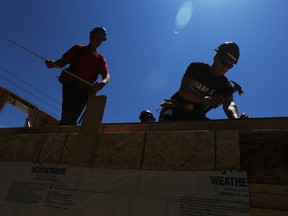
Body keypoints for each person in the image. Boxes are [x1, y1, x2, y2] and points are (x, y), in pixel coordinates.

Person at [159, 41, 249, 121]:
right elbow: (184, 91)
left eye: (229, 66)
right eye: (223, 62)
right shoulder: (197, 68)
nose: (225, 67)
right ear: (215, 57)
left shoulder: (225, 85)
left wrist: (236, 120)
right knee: (168, 119)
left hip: (196, 117)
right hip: (175, 109)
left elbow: (229, 104)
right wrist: (208, 101)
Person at [45, 27, 110, 125]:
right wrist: (53, 64)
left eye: (100, 40)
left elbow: (106, 75)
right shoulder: (79, 48)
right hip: (71, 84)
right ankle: (62, 132)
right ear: (90, 36)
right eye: (96, 37)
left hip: (86, 90)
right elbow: (62, 62)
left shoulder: (100, 59)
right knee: (68, 116)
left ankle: (65, 132)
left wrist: (102, 83)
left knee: (74, 118)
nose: (97, 41)